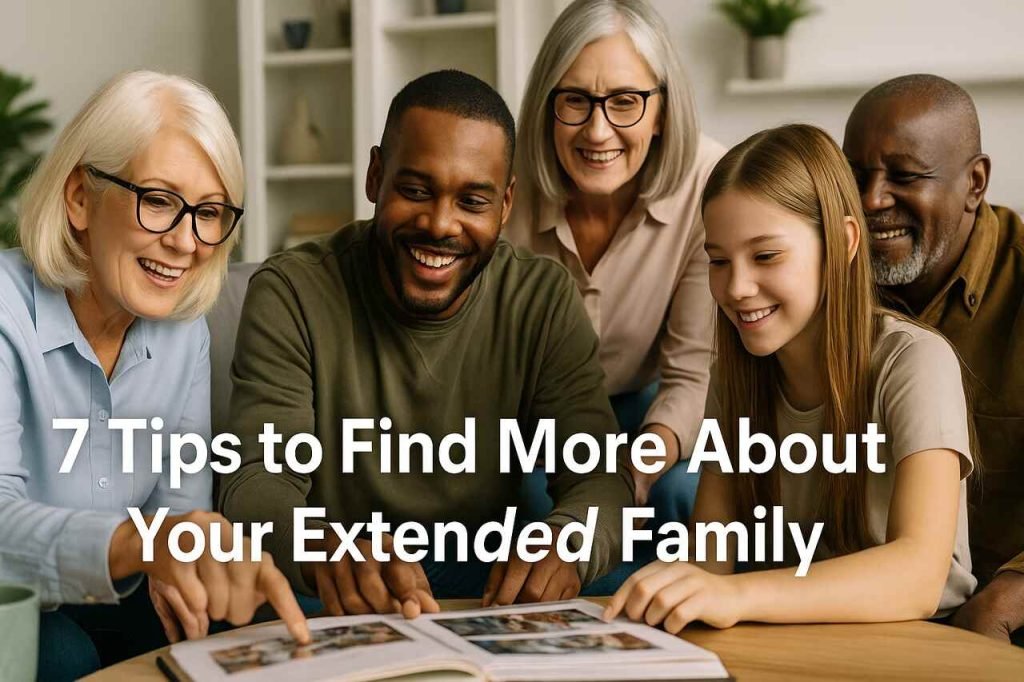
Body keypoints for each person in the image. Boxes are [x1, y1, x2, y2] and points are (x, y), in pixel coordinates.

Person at [219, 70, 633, 616]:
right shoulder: (292, 291)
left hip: (485, 567)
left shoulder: (543, 298)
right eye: (415, 191)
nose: (441, 224)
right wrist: (322, 547)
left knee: (626, 585)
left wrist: (566, 542)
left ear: (506, 205)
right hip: (339, 572)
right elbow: (256, 479)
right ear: (375, 176)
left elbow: (599, 476)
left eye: (473, 202)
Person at [603, 124, 976, 631]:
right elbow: (708, 558)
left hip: (915, 645)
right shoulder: (732, 377)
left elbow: (920, 575)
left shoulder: (915, 363)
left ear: (843, 242)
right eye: (717, 260)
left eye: (765, 256)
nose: (735, 287)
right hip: (784, 639)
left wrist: (734, 595)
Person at [0, 71, 308, 680]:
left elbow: (178, 517)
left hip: (117, 599)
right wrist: (143, 544)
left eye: (209, 213)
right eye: (160, 201)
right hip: (17, 604)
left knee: (254, 627)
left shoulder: (183, 330)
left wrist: (197, 567)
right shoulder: (6, 310)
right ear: (80, 198)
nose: (186, 242)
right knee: (60, 651)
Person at [505, 0, 724, 557]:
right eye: (574, 100)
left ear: (662, 112)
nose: (598, 131)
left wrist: (638, 467)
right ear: (546, 105)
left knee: (682, 493)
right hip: (533, 420)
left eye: (625, 102)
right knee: (532, 505)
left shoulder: (712, 185)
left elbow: (691, 372)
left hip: (652, 410)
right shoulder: (505, 187)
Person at [842, 74, 1024, 644]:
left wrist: (1005, 597)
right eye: (857, 176)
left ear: (975, 183)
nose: (872, 200)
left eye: (904, 176)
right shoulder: (824, 282)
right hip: (867, 611)